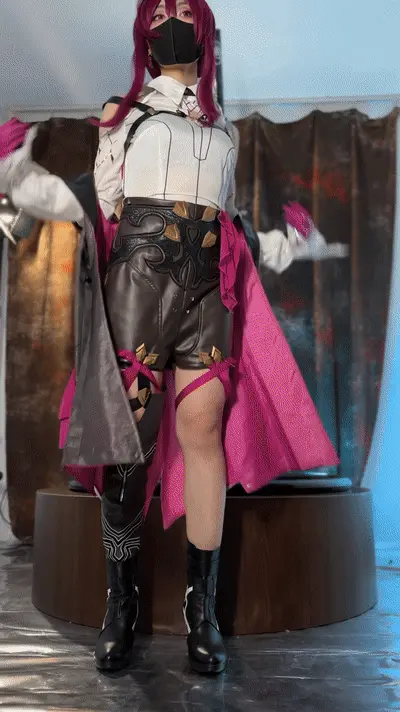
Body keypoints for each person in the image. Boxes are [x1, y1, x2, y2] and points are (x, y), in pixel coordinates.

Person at [0, 0, 340, 677]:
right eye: (159, 13)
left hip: (207, 289)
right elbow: (100, 204)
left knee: (204, 428)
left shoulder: (223, 129)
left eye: (184, 9)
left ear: (204, 29)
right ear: (144, 35)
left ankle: (200, 609)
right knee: (130, 444)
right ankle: (120, 601)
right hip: (139, 283)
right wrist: (21, 176)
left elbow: (231, 225)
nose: (172, 19)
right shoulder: (122, 115)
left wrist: (290, 243)